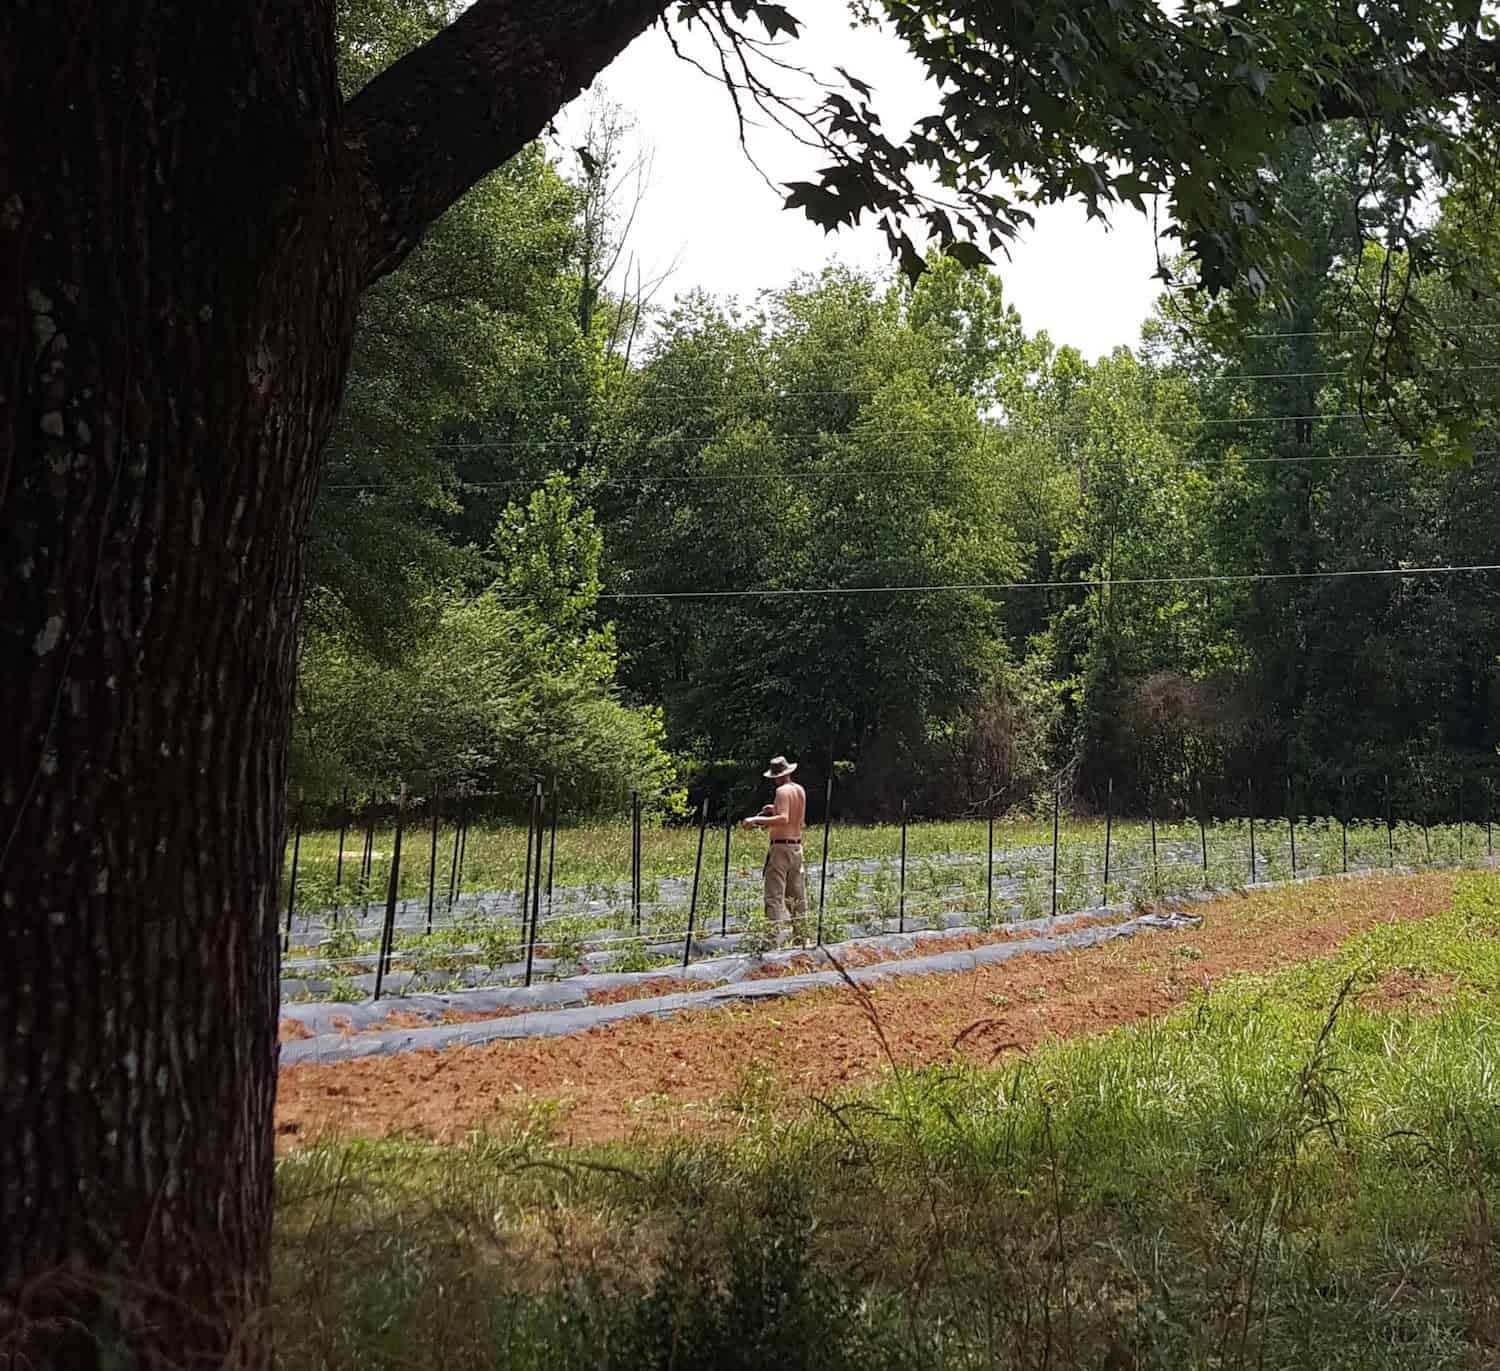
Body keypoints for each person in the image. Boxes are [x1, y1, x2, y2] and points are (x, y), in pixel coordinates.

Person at [743, 755, 807, 942]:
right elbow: (798, 820)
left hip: (780, 849)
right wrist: (774, 809)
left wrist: (756, 820)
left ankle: (772, 939)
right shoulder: (799, 790)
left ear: (778, 776)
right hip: (796, 847)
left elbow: (783, 819)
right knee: (796, 895)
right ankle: (801, 937)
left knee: (774, 895)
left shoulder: (781, 791)